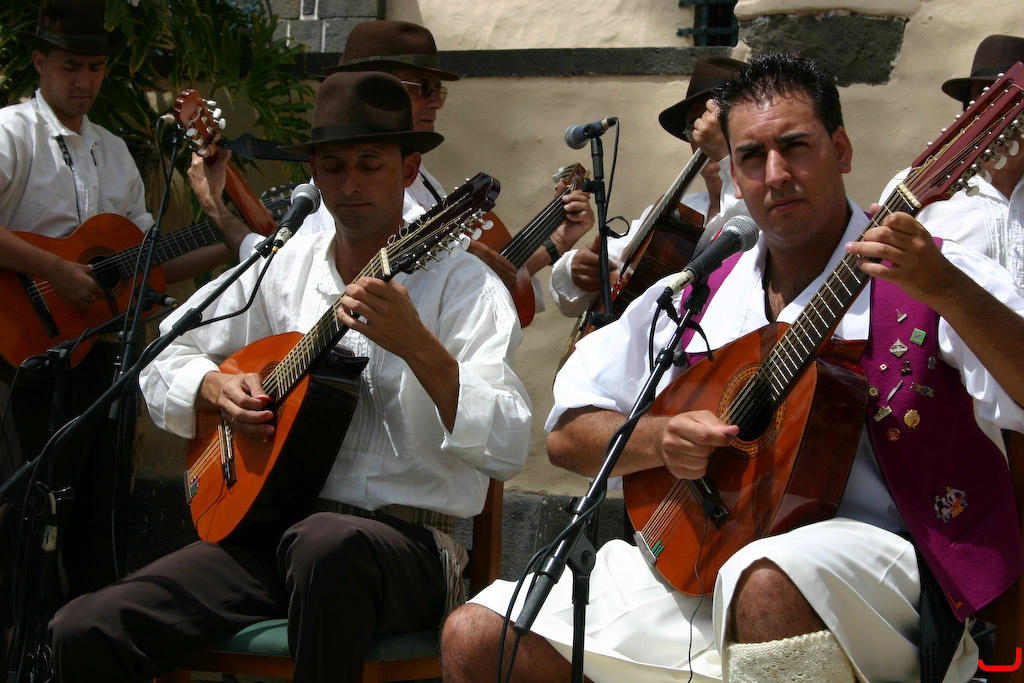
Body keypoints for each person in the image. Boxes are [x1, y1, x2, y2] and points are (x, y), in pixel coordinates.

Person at [440, 53, 1024, 683]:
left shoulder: (932, 271)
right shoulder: (700, 291)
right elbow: (566, 435)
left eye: (795, 147)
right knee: (479, 635)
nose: (776, 175)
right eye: (751, 156)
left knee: (765, 580)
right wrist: (660, 439)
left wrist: (945, 289)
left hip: (887, 569)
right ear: (735, 176)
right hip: (704, 557)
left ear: (842, 150)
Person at [48, 69, 532, 683]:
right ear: (314, 176)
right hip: (271, 538)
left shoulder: (466, 287)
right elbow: (166, 353)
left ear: (410, 170)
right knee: (85, 628)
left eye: (370, 165)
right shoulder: (283, 265)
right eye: (332, 167)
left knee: (326, 545)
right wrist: (215, 387)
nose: (349, 184)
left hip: (411, 551)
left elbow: (509, 442)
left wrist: (419, 348)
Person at [0, 0, 251, 672]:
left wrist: (233, 234)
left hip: (94, 358)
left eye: (95, 67)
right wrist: (57, 269)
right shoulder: (11, 134)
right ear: (40, 62)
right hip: (16, 356)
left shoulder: (112, 151)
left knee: (91, 511)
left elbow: (146, 265)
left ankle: (71, 655)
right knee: (20, 513)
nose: (84, 80)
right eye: (71, 66)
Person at [207, 19, 594, 308]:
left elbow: (487, 282)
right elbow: (283, 283)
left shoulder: (422, 180)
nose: (437, 100)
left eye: (438, 89)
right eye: (423, 87)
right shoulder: (339, 198)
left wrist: (557, 242)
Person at [548, 56, 746, 319]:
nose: (705, 134)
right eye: (695, 124)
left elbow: (748, 218)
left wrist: (727, 157)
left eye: (719, 122)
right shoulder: (676, 211)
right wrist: (576, 268)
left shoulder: (766, 206)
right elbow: (582, 286)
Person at [877, 34, 1024, 294]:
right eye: (988, 98)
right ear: (969, 111)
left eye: (1015, 103)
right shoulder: (914, 187)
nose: (1002, 114)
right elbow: (881, 287)